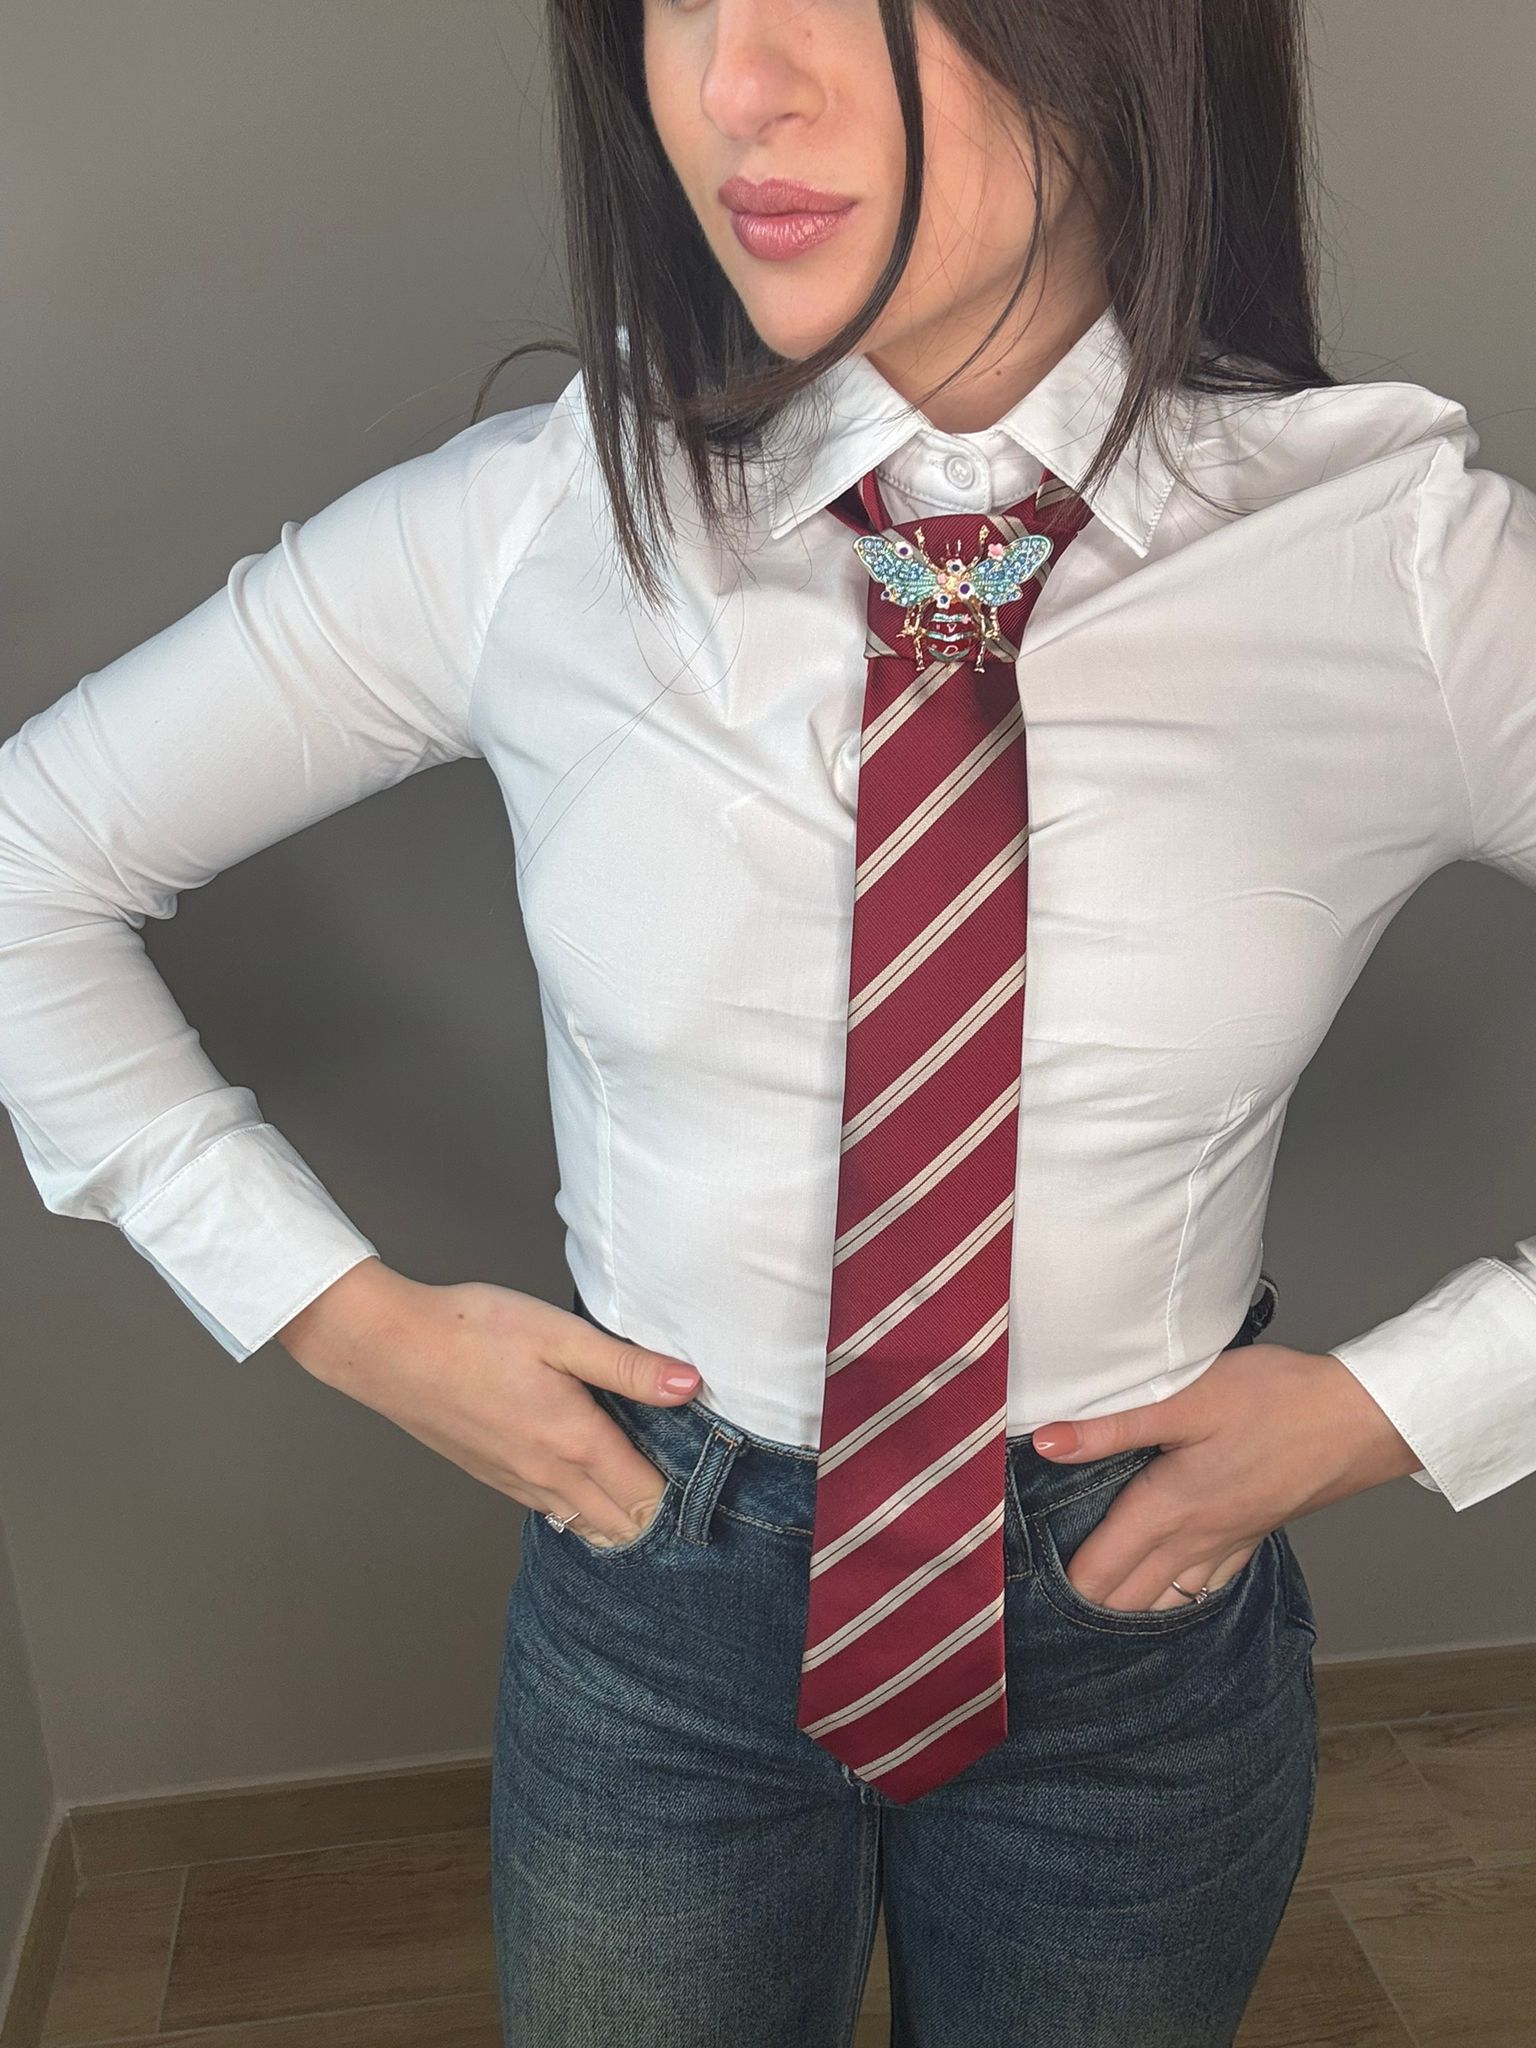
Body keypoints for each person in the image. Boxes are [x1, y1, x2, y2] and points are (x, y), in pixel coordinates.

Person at [1, 0, 1533, 2041]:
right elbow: (25, 862)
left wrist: (1416, 1402)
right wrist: (351, 1325)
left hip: (1136, 1625)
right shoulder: (545, 525)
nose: (738, 81)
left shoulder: (1396, 567)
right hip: (662, 1607)